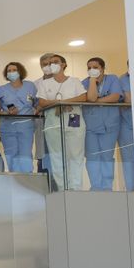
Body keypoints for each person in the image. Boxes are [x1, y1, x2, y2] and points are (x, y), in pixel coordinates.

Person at [36, 53, 86, 190]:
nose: (52, 64)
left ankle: (76, 188)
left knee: (75, 155)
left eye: (55, 61)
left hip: (74, 121)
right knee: (57, 157)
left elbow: (83, 97)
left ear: (63, 64)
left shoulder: (74, 81)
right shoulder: (44, 84)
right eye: (50, 62)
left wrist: (65, 103)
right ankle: (63, 188)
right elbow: (42, 101)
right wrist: (58, 103)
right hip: (53, 123)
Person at [83, 56, 126, 190]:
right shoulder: (84, 82)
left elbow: (115, 97)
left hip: (110, 124)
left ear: (102, 68)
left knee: (107, 156)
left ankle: (107, 186)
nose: (92, 69)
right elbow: (90, 97)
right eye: (89, 68)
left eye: (95, 67)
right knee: (92, 157)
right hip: (91, 125)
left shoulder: (112, 79)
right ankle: (95, 186)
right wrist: (92, 81)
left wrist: (97, 101)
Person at [0, 61, 39, 173]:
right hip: (8, 127)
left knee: (25, 155)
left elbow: (37, 104)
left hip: (26, 126)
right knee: (11, 155)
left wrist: (37, 111)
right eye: (9, 71)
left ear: (20, 72)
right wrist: (7, 113)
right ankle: (14, 182)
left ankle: (27, 182)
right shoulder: (1, 89)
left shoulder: (30, 86)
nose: (11, 72)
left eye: (14, 70)